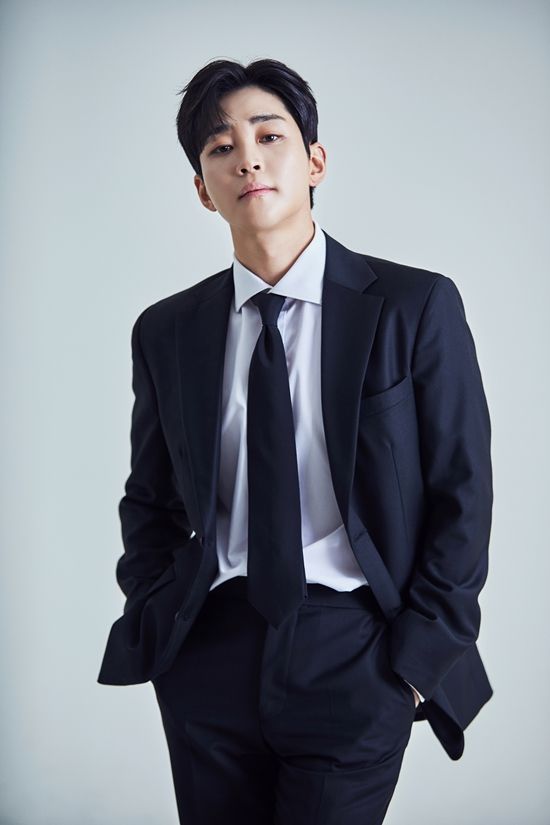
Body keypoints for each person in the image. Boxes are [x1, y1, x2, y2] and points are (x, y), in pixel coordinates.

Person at [97, 57, 494, 824]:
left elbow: (462, 493)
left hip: (356, 649)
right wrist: (161, 618)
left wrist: (413, 664)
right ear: (202, 189)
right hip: (210, 652)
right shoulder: (167, 330)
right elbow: (149, 497)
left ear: (314, 162)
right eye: (220, 148)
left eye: (268, 135)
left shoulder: (414, 305)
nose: (246, 157)